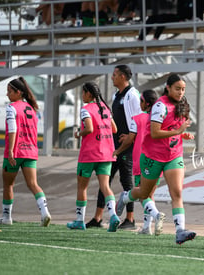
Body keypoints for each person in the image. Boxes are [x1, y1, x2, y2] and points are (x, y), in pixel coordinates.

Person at [116, 73, 196, 244]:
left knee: (177, 192)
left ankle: (180, 231)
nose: (181, 92)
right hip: (152, 156)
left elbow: (175, 128)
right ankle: (125, 197)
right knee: (144, 193)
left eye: (183, 89)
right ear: (168, 88)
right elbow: (155, 132)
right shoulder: (160, 106)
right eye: (177, 89)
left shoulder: (182, 105)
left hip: (173, 156)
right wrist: (178, 131)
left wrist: (183, 135)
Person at [85, 65, 141, 230]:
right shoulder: (116, 94)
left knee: (126, 181)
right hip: (113, 146)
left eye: (115, 75)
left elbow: (137, 120)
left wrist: (130, 138)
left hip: (127, 146)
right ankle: (98, 217)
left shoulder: (132, 95)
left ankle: (130, 219)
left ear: (123, 77)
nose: (112, 77)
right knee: (105, 181)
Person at [0, 77, 51, 227]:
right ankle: (44, 213)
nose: (7, 94)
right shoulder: (32, 108)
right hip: (30, 152)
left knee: (8, 184)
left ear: (18, 92)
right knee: (33, 184)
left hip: (16, 152)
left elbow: (13, 129)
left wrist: (11, 150)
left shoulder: (12, 107)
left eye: (9, 91)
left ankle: (6, 217)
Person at [67, 81, 120, 232]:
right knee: (105, 186)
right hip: (106, 153)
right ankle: (114, 215)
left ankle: (79, 221)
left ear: (89, 94)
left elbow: (89, 128)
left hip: (90, 154)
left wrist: (78, 133)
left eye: (83, 92)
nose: (82, 95)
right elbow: (114, 129)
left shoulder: (86, 109)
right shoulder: (105, 108)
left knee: (82, 187)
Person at [113, 89, 161, 235]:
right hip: (157, 159)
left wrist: (118, 151)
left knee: (143, 195)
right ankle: (147, 227)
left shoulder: (137, 118)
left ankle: (156, 215)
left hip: (142, 160)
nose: (139, 103)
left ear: (146, 103)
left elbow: (130, 139)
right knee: (149, 194)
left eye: (140, 101)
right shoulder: (159, 119)